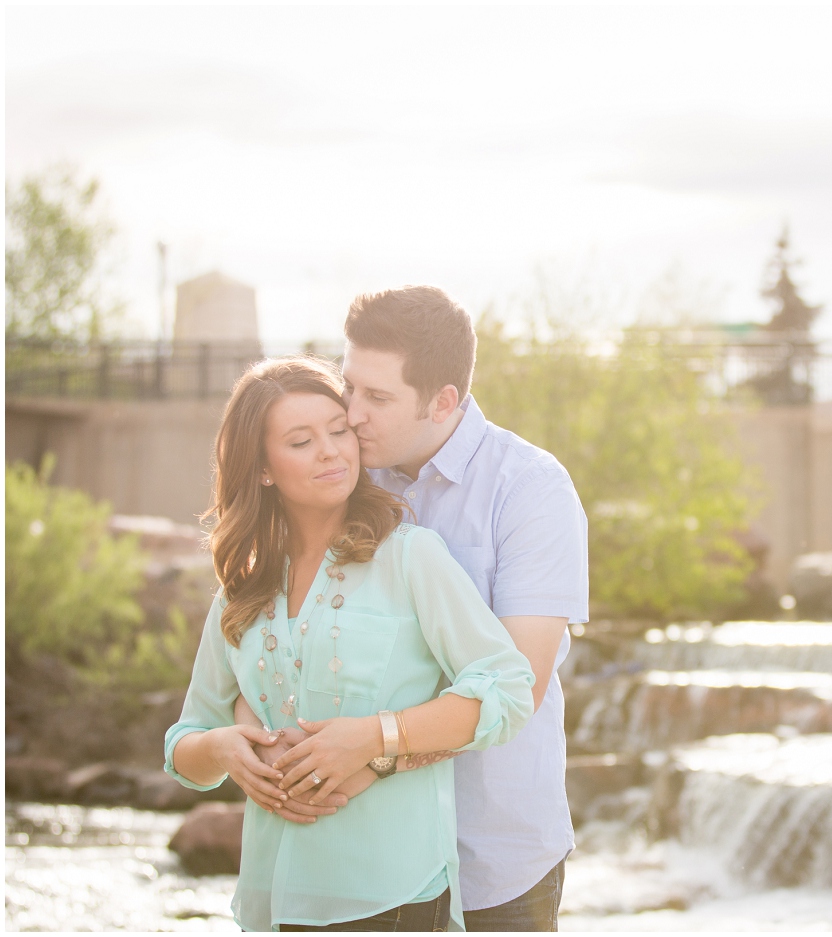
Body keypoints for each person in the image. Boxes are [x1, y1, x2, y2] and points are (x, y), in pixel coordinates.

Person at [232, 286, 589, 931]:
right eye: (350, 386)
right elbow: (275, 631)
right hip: (365, 860)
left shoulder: (531, 492)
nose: (353, 413)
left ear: (443, 401)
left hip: (492, 852)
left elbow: (520, 685)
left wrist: (374, 752)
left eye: (378, 397)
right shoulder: (343, 474)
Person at [165, 356, 536, 932]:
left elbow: (508, 690)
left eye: (339, 431)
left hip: (394, 894)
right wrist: (223, 751)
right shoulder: (241, 592)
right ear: (263, 468)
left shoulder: (411, 557)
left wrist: (375, 738)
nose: (332, 451)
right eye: (301, 441)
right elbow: (184, 744)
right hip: (273, 898)